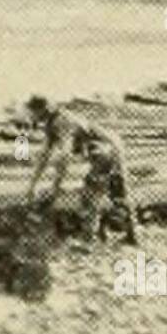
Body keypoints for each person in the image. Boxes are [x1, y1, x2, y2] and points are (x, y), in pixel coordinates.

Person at [23, 95, 137, 244]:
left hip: (104, 150)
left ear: (42, 110)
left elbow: (64, 157)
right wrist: (32, 185)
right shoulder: (51, 123)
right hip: (111, 147)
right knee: (118, 193)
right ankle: (132, 236)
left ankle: (89, 241)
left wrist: (55, 188)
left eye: (32, 112)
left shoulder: (62, 121)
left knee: (91, 195)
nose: (30, 116)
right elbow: (44, 157)